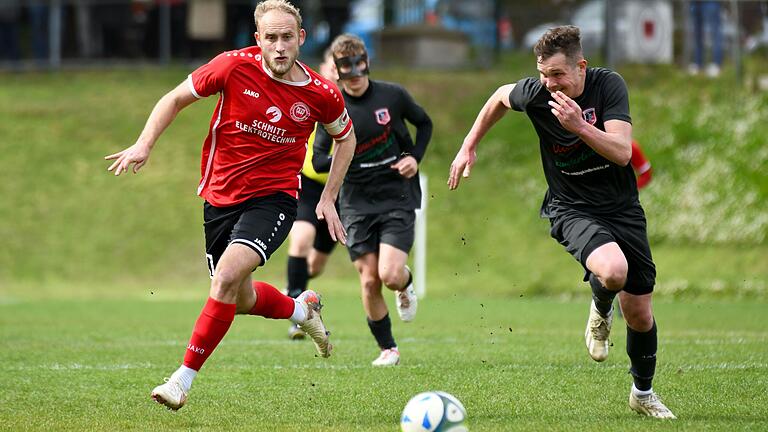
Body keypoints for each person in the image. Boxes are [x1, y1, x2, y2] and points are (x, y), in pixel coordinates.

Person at [104, 0, 356, 411]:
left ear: (301, 39)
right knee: (237, 298)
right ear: (257, 39)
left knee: (224, 279)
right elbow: (173, 99)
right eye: (270, 38)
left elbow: (347, 138)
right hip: (220, 196)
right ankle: (300, 309)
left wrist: (328, 198)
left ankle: (181, 381)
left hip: (274, 198)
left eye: (287, 37)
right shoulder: (231, 65)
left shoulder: (319, 92)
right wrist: (143, 144)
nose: (279, 47)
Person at [448, 26, 675, 419]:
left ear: (581, 66)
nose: (549, 84)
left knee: (639, 312)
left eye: (557, 75)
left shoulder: (608, 86)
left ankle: (643, 393)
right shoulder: (538, 93)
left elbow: (622, 153)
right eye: (542, 74)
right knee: (613, 270)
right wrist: (469, 145)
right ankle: (601, 306)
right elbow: (499, 97)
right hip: (571, 206)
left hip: (622, 208)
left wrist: (580, 126)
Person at [313, 33, 432, 367]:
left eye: (359, 67)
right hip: (355, 202)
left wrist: (414, 157)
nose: (355, 76)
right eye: (347, 71)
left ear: (366, 63)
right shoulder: (333, 108)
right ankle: (388, 349)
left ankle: (405, 285)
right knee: (369, 280)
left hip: (396, 194)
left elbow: (424, 123)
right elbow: (319, 159)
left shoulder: (392, 96)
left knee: (390, 274)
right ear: (336, 72)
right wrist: (343, 154)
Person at [284, 47, 340, 340]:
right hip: (308, 184)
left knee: (315, 265)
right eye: (333, 65)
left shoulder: (356, 102)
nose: (338, 71)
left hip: (342, 189)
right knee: (301, 239)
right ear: (324, 67)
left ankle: (294, 288)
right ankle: (296, 311)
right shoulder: (312, 95)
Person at [689, 0, 723, 77]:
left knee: (715, 33)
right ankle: (698, 64)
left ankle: (717, 64)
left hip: (711, 2)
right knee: (697, 34)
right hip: (695, 3)